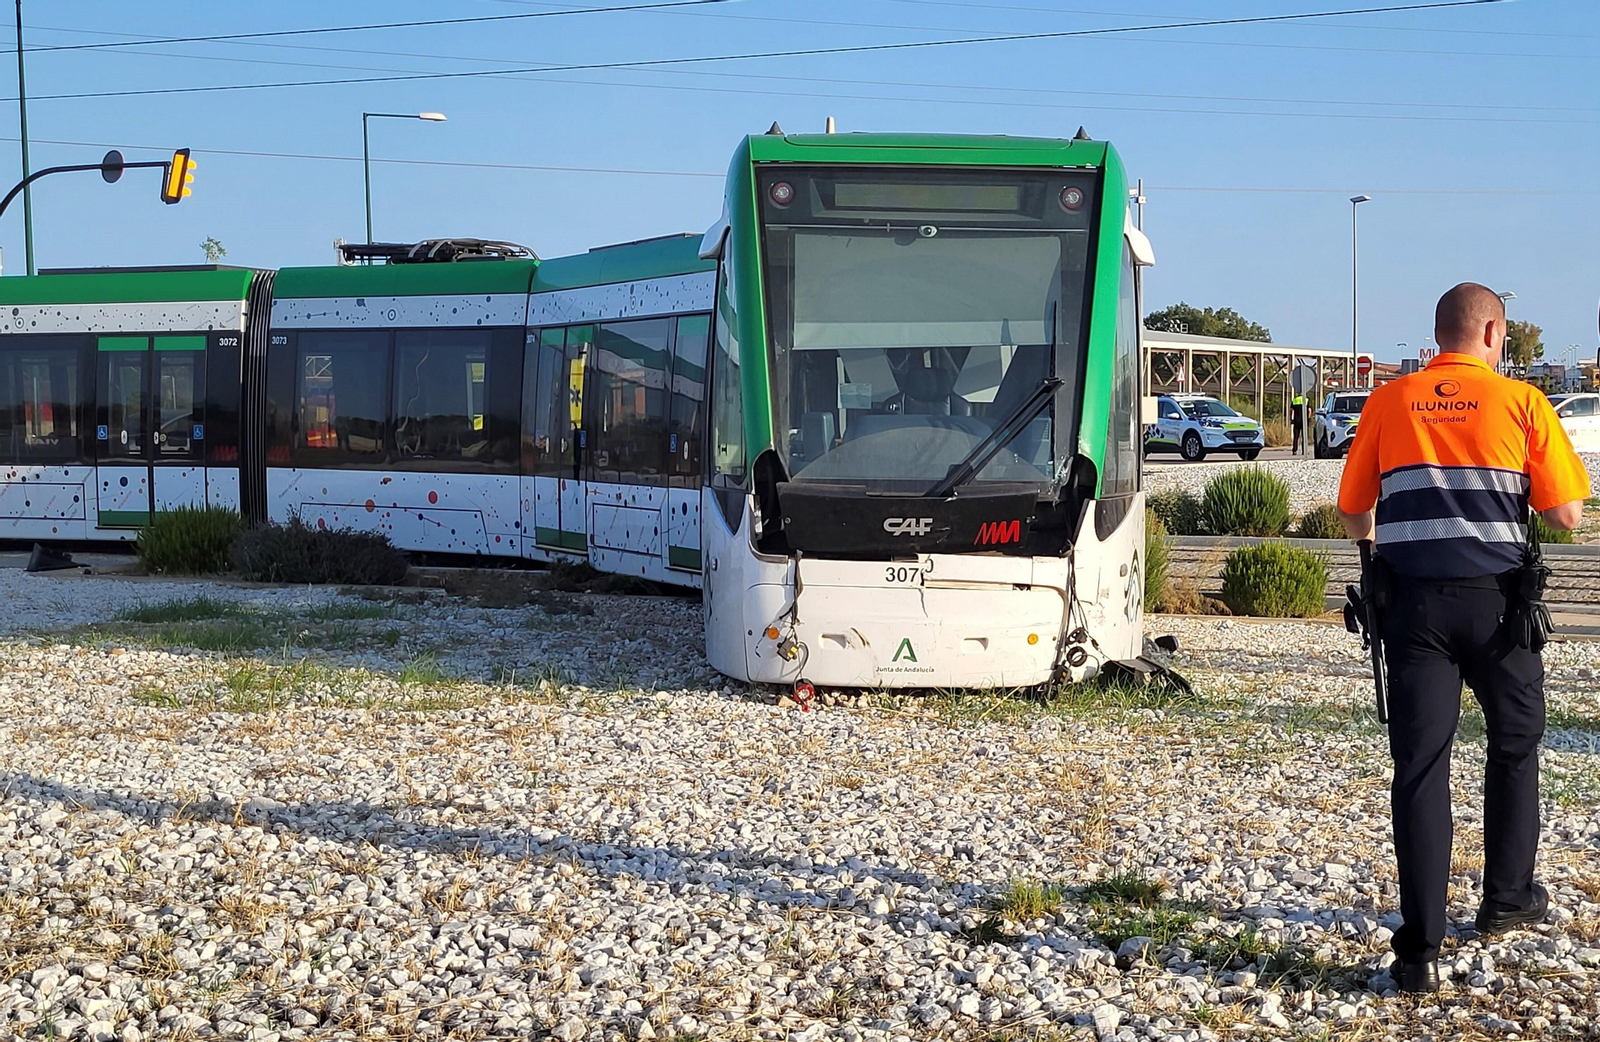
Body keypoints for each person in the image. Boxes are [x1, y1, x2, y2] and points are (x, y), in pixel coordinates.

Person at [1337, 283, 1590, 994]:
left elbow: (1354, 510)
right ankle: (1507, 896)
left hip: (1413, 607)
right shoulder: (1522, 402)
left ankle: (1419, 950)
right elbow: (1567, 515)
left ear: (1438, 335)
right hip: (1499, 606)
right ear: (1492, 334)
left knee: (1420, 766)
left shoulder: (1389, 401)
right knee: (1514, 742)